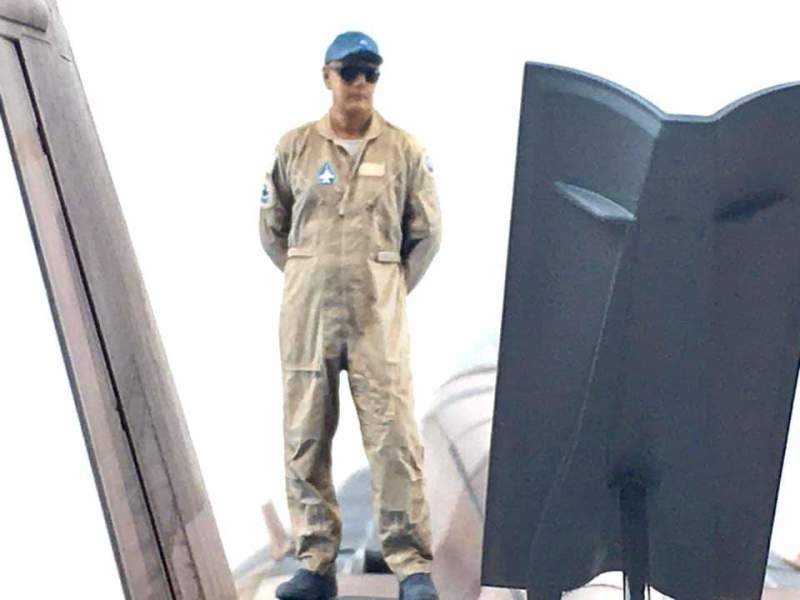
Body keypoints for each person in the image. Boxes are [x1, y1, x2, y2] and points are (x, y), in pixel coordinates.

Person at [259, 31, 442, 600]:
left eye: (370, 73)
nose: (361, 83)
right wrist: (310, 277)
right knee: (306, 435)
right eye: (350, 72)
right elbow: (272, 229)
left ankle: (411, 565)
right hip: (309, 316)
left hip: (375, 319)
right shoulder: (294, 148)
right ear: (328, 77)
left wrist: (387, 284)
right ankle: (315, 565)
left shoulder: (404, 150)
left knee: (394, 438)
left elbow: (426, 232)